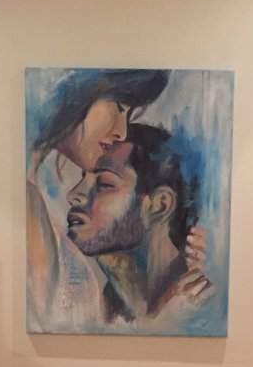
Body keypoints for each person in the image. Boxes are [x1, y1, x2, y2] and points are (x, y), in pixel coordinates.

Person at [26, 70, 169, 327]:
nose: (122, 132)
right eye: (119, 108)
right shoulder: (29, 204)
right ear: (77, 93)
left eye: (103, 184)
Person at [64, 123, 211, 325]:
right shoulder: (93, 311)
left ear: (159, 206)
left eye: (104, 184)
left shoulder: (204, 309)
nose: (73, 194)